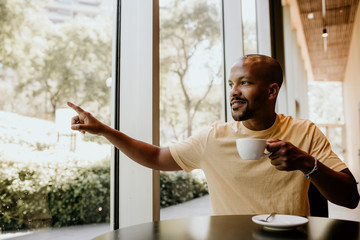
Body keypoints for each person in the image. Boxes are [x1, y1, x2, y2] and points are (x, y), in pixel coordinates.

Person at [67, 54, 359, 216]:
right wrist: (104, 131)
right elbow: (156, 156)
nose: (234, 92)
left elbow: (350, 198)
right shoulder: (213, 138)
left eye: (244, 83)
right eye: (231, 84)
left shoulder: (304, 131)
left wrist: (307, 164)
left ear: (271, 91)